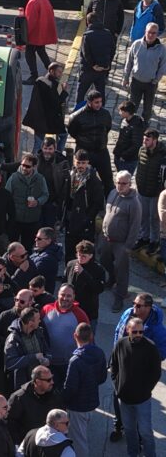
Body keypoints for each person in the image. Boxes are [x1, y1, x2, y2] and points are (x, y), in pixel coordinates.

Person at [109, 316, 159, 457]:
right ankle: (133, 454)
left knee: (145, 432)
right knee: (130, 431)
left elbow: (155, 372)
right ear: (127, 330)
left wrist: (146, 389)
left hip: (142, 400)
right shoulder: (120, 344)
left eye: (141, 332)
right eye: (135, 331)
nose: (138, 335)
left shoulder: (150, 347)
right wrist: (117, 385)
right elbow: (113, 366)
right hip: (124, 399)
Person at [100, 172, 141, 311]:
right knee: (104, 260)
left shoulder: (134, 203)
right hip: (107, 238)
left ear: (130, 184)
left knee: (122, 270)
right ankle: (112, 279)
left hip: (121, 242)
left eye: (124, 183)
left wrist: (128, 246)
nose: (120, 186)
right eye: (118, 182)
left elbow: (135, 226)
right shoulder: (113, 193)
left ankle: (120, 297)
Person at [123, 22, 166, 122]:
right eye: (149, 32)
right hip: (136, 82)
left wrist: (155, 80)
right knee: (133, 106)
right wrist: (126, 78)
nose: (151, 35)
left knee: (147, 109)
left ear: (157, 34)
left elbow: (163, 67)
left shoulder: (161, 49)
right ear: (145, 32)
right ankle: (130, 125)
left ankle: (144, 126)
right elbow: (129, 62)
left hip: (150, 84)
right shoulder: (136, 44)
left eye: (154, 33)